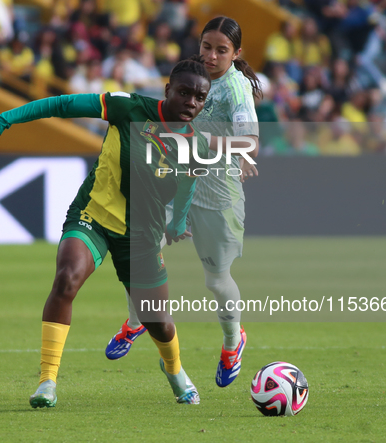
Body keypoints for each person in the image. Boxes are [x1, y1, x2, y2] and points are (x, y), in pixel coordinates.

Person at [0, 56, 213, 407]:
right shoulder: (127, 107)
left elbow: (187, 188)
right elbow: (62, 104)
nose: (191, 102)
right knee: (67, 279)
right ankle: (47, 383)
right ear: (168, 89)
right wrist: (2, 120)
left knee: (158, 322)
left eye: (199, 97)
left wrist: (177, 223)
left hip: (141, 236)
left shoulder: (196, 146)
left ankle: (174, 370)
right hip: (93, 215)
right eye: (184, 92)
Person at [104, 16, 261, 390]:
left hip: (217, 192)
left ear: (236, 54)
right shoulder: (192, 75)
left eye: (221, 50)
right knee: (140, 254)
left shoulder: (236, 90)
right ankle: (139, 317)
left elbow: (251, 144)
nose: (211, 55)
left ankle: (232, 342)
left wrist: (213, 145)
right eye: (207, 46)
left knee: (216, 280)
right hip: (173, 182)